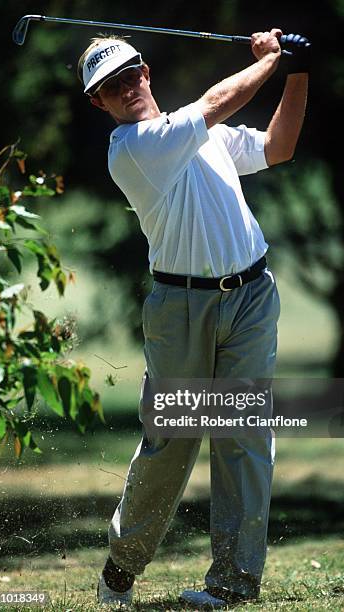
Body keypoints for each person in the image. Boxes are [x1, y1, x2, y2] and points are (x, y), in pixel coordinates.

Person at [78, 27, 308, 608]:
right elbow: (213, 103)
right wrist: (276, 60)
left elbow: (278, 148)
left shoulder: (201, 135)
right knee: (172, 443)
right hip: (182, 309)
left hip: (252, 297)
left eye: (131, 74)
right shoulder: (134, 147)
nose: (126, 87)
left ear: (146, 72)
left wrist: (301, 74)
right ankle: (122, 569)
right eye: (111, 85)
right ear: (97, 102)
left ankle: (232, 585)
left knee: (245, 439)